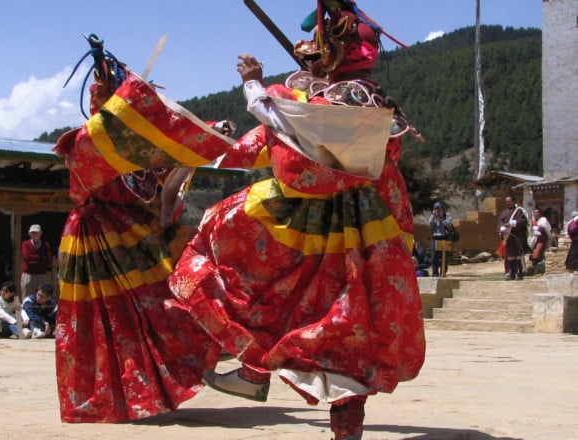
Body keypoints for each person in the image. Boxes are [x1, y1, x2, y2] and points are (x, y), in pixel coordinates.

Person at [169, 3, 426, 439]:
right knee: (349, 331)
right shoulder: (378, 101)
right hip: (367, 234)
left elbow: (284, 127)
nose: (308, 64)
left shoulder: (332, 101)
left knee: (244, 272)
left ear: (332, 56)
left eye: (315, 56)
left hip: (319, 230)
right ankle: (274, 385)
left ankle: (254, 371)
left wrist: (253, 85)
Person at [52, 34, 233, 423]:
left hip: (136, 237)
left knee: (161, 310)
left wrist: (214, 130)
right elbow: (89, 173)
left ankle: (148, 390)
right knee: (109, 320)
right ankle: (112, 398)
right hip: (96, 241)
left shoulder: (141, 148)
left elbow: (177, 143)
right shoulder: (87, 144)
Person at [498, 195, 529, 280]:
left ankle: (520, 273)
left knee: (518, 255)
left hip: (517, 237)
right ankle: (511, 273)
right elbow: (501, 221)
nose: (507, 203)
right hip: (508, 237)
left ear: (514, 202)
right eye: (506, 202)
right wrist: (502, 227)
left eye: (509, 201)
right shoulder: (504, 212)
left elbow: (523, 221)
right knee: (510, 255)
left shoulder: (519, 211)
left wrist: (512, 223)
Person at [20, 224, 52, 300]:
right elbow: (26, 257)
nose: (34, 234)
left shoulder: (45, 245)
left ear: (40, 233)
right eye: (32, 233)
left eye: (36, 232)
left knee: (42, 298)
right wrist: (41, 258)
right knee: (27, 298)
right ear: (30, 234)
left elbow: (48, 260)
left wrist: (34, 259)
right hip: (28, 275)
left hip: (41, 275)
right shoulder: (25, 244)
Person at [428, 201, 454, 277]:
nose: (438, 210)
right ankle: (435, 273)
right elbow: (430, 225)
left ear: (442, 209)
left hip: (444, 237)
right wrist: (434, 217)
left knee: (444, 257)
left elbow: (449, 224)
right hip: (435, 238)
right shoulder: (433, 216)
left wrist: (441, 219)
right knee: (434, 257)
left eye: (439, 208)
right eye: (436, 208)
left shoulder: (447, 215)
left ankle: (443, 273)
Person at [528, 208, 551, 273]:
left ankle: (537, 265)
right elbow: (531, 230)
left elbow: (543, 228)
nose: (536, 214)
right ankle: (534, 266)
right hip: (535, 239)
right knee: (533, 252)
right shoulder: (534, 221)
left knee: (538, 250)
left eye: (537, 212)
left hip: (542, 239)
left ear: (540, 213)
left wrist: (536, 226)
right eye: (535, 213)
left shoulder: (543, 220)